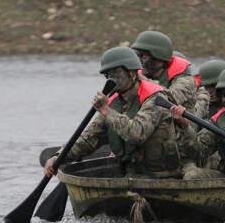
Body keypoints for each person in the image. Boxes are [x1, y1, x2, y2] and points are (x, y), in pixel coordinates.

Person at [43, 46, 181, 179]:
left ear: (132, 73)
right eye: (108, 74)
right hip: (130, 173)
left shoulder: (156, 97)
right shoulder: (113, 102)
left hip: (162, 176)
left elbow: (136, 134)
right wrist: (59, 157)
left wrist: (106, 110)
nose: (112, 79)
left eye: (116, 73)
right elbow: (89, 138)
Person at [131, 30, 196, 109]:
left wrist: (141, 79)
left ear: (159, 58)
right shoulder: (143, 75)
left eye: (144, 56)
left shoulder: (185, 80)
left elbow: (169, 99)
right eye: (138, 56)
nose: (139, 61)